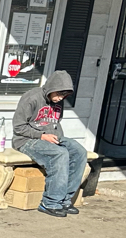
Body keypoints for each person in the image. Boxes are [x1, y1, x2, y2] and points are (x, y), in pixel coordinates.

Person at [11, 69, 88, 217]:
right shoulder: (31, 98)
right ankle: (50, 203)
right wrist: (42, 136)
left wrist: (57, 138)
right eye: (58, 94)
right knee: (59, 154)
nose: (60, 98)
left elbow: (55, 123)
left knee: (79, 152)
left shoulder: (58, 101)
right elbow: (18, 127)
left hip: (50, 137)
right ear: (51, 88)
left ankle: (65, 200)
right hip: (26, 139)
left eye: (64, 96)